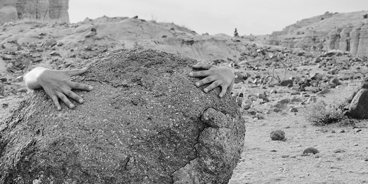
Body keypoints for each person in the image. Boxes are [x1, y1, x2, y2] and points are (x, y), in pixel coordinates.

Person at [23, 62, 235, 111]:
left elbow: (219, 81)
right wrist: (40, 73)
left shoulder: (171, 69)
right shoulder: (94, 66)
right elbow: (30, 77)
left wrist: (228, 72)